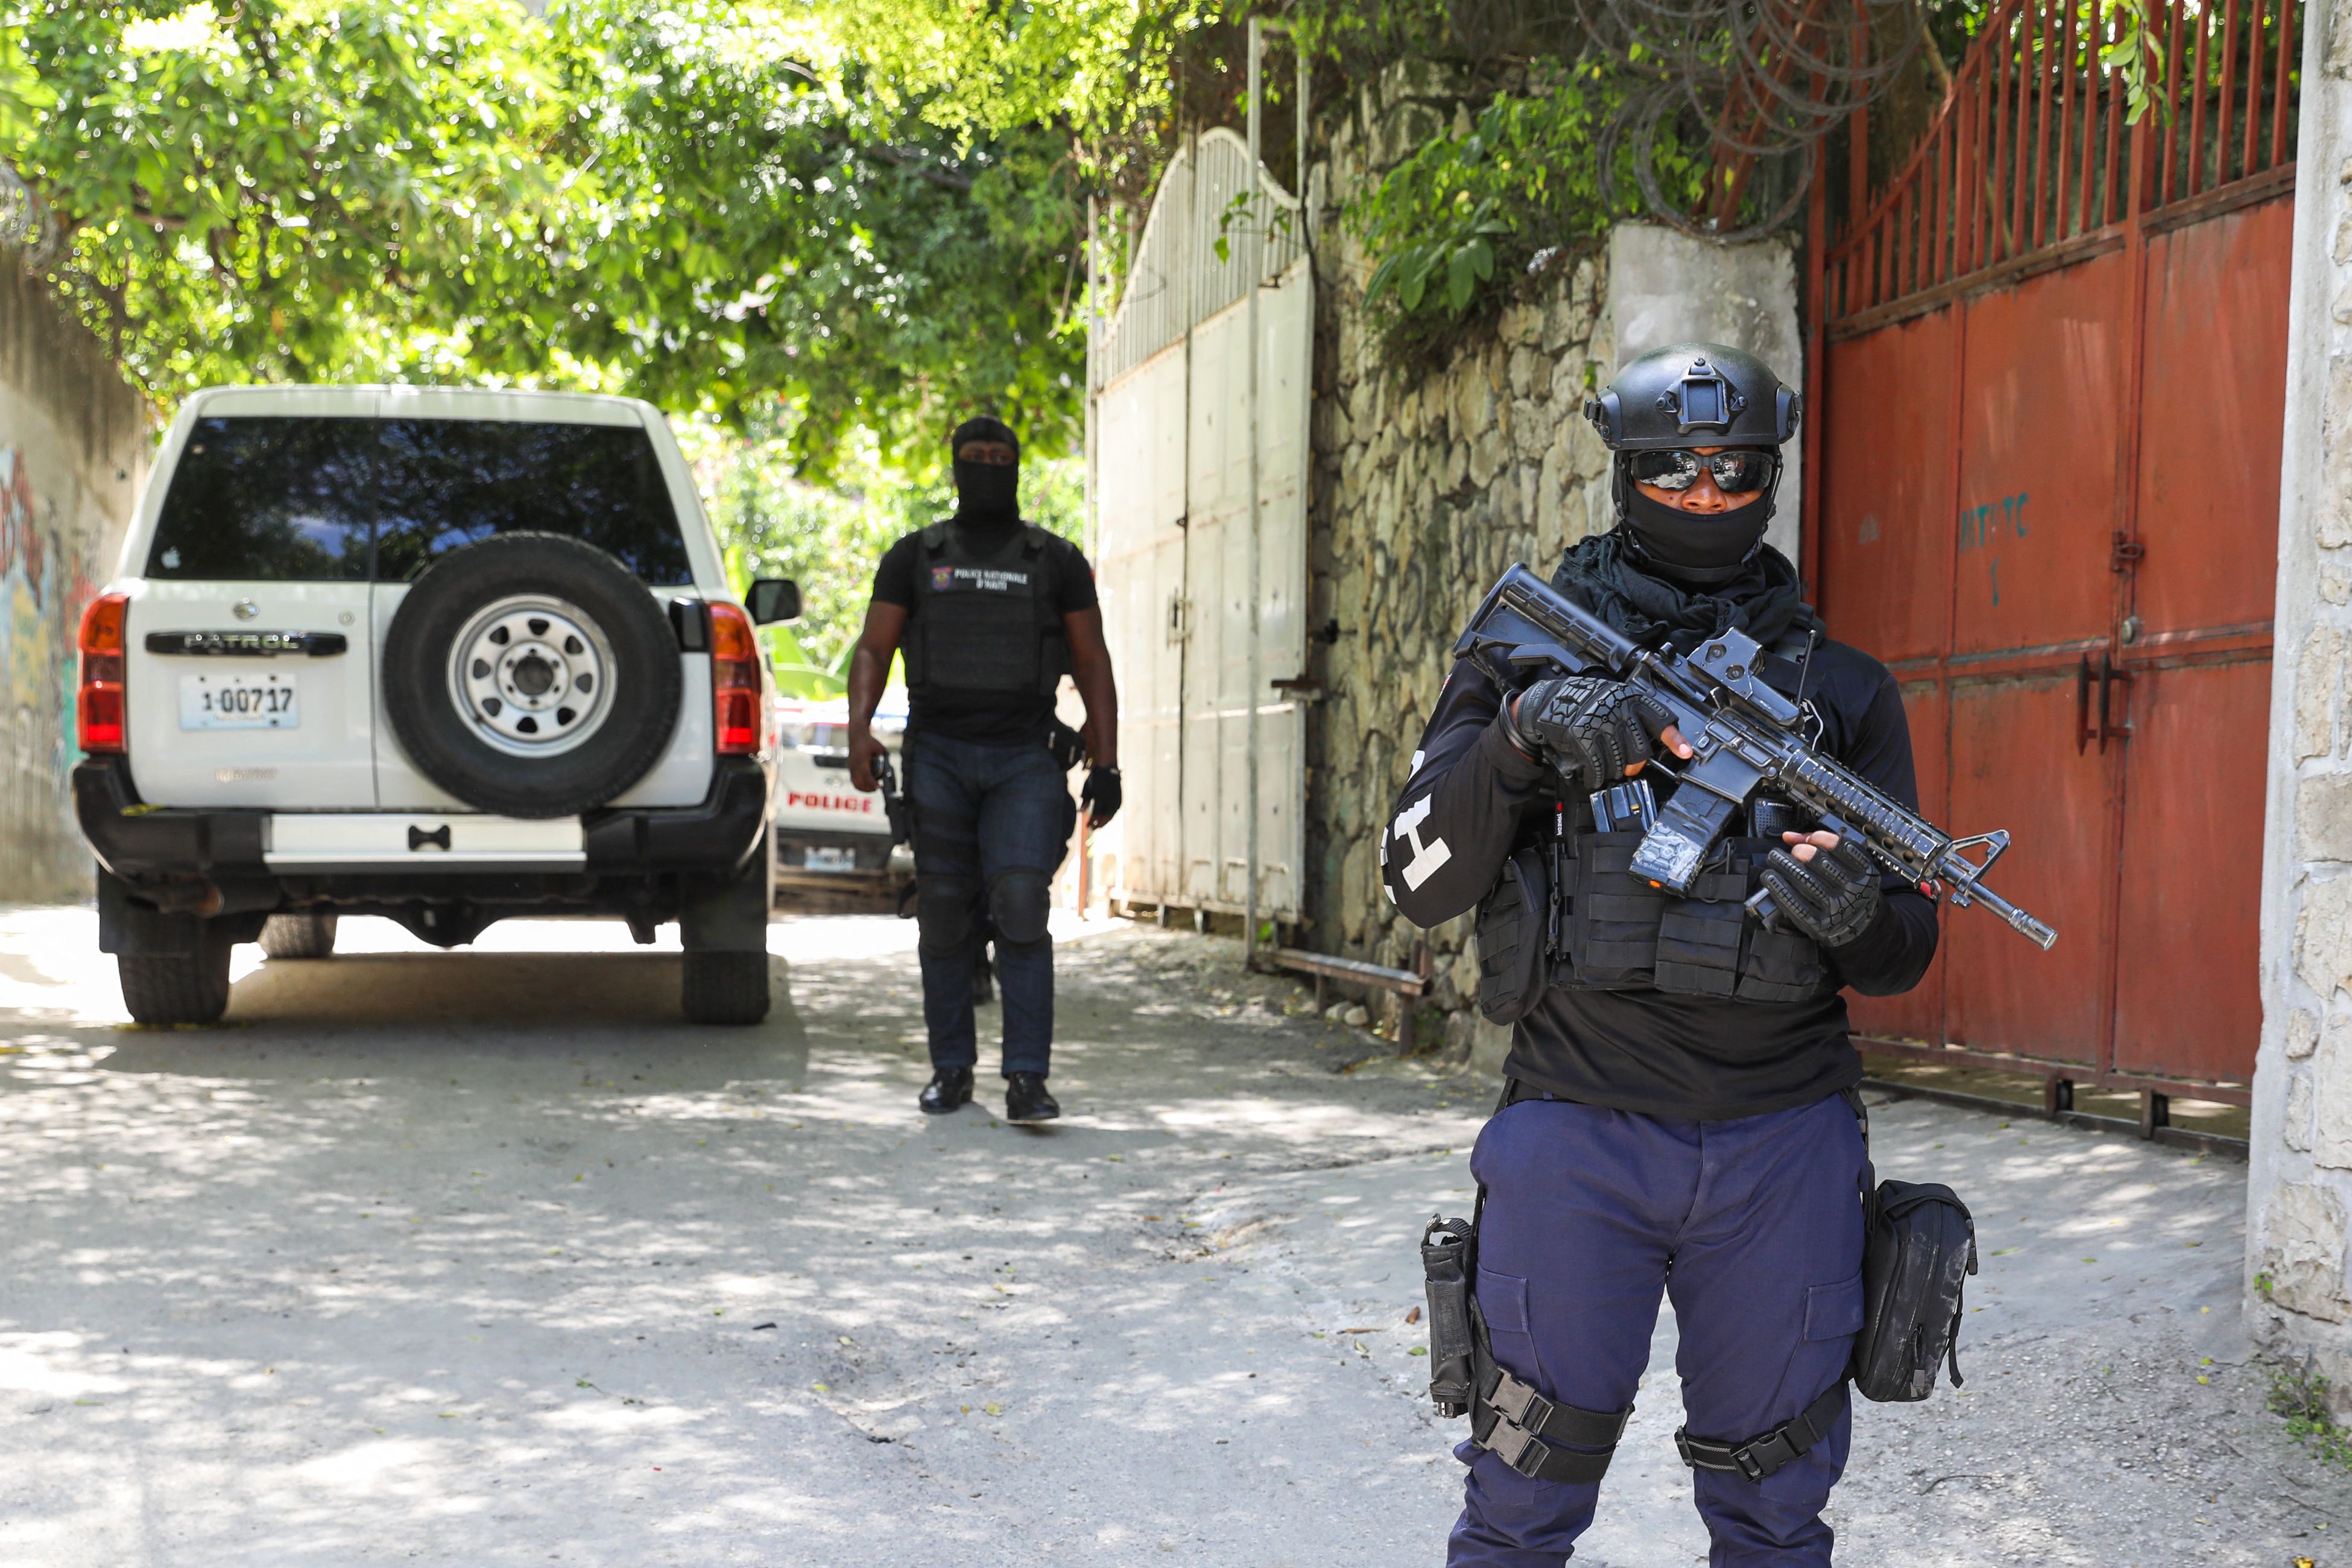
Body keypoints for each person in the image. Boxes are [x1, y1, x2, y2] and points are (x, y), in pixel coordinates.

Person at [1384, 344, 1939, 1566]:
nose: (1703, 500)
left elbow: (1909, 951)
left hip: (1783, 1143)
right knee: (1521, 1502)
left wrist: (1857, 915)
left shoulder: (1844, 693)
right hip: (1577, 1133)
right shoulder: (1525, 652)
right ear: (1628, 473)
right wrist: (1520, 742)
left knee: (1776, 1511)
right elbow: (1418, 879)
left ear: (1769, 479)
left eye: (1733, 477)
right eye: (1675, 476)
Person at [846, 415, 1121, 1124]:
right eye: (976, 456)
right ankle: (951, 1069)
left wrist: (1108, 757)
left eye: (1003, 456)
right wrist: (859, 730)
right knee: (943, 911)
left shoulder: (1054, 559)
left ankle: (1027, 1077)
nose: (989, 465)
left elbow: (1091, 659)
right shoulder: (915, 554)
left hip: (1026, 754)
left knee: (1022, 906)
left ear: (1019, 467)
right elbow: (874, 649)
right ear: (955, 466)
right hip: (937, 749)